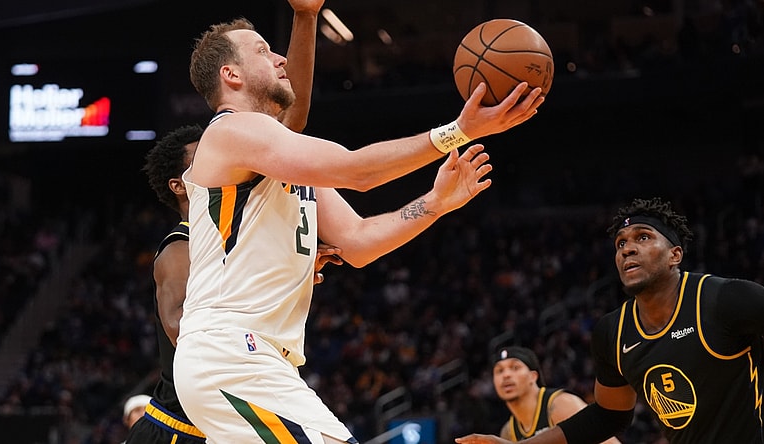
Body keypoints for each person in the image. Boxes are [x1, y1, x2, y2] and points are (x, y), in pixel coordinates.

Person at [172, 8, 544, 444]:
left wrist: (436, 203)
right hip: (232, 355)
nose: (280, 59)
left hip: (258, 359)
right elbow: (358, 172)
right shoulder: (230, 131)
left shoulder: (281, 162)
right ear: (230, 74)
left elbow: (359, 242)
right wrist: (457, 130)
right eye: (263, 51)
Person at [128, 1, 337, 443]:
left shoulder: (229, 226)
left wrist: (278, 268)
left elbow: (287, 124)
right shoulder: (179, 248)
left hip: (220, 410)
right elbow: (181, 326)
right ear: (181, 184)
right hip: (181, 425)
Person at [456, 197, 764, 444]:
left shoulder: (726, 299)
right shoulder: (612, 332)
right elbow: (609, 415)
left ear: (675, 254)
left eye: (642, 237)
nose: (627, 249)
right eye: (620, 243)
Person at [491, 346, 620, 443]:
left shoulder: (560, 405)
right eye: (499, 371)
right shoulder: (509, 432)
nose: (506, 375)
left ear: (533, 376)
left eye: (515, 367)